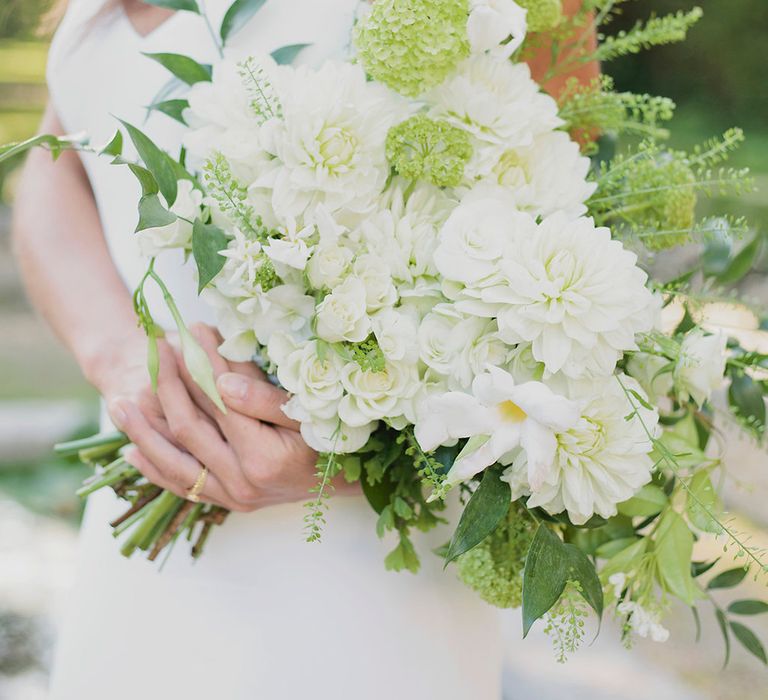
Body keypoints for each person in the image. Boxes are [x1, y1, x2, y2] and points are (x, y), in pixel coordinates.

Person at [12, 1, 597, 698]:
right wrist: (121, 358)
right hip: (141, 535)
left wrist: (359, 461)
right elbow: (61, 160)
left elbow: (560, 269)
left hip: (353, 574)